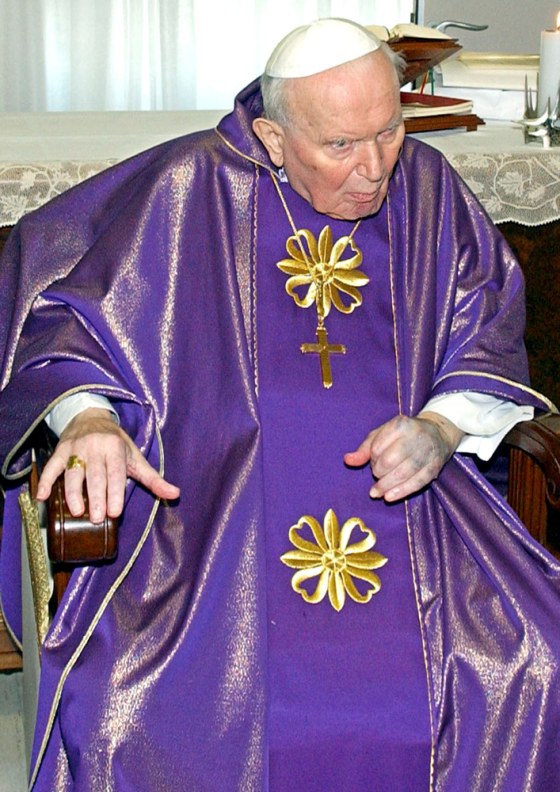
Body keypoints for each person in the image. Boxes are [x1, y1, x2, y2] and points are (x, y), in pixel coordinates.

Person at [1, 17, 559, 792]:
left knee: (532, 656)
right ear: (270, 136)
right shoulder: (187, 186)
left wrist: (442, 425)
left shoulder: (428, 186)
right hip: (208, 513)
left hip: (420, 505)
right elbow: (61, 313)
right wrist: (89, 415)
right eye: (340, 147)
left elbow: (487, 325)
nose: (374, 169)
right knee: (130, 702)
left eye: (389, 130)